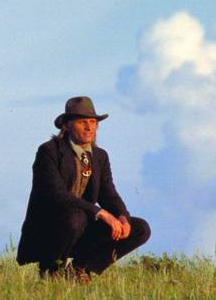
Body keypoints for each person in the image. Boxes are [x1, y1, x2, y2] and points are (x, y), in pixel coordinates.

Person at [16, 96, 150, 282]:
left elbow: (108, 192)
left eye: (93, 122)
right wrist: (100, 213)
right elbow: (57, 195)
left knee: (140, 228)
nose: (89, 127)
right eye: (82, 122)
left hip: (82, 226)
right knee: (75, 217)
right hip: (50, 230)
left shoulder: (100, 156)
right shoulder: (49, 151)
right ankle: (51, 270)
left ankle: (81, 269)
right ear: (67, 125)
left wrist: (122, 216)